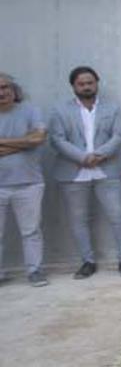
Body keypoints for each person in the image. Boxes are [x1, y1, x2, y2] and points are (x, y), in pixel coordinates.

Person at [48, 66, 121, 278]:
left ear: (96, 83)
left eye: (90, 83)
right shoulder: (60, 110)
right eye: (81, 84)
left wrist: (99, 155)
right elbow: (57, 139)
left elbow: (119, 135)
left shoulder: (112, 108)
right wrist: (82, 157)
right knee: (79, 220)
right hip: (74, 173)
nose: (86, 87)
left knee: (118, 216)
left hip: (107, 170)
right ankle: (88, 262)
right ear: (73, 86)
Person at [0, 73, 49, 287]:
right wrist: (24, 142)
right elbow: (30, 140)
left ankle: (34, 270)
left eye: (5, 87)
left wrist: (4, 143)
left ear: (14, 90)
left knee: (31, 231)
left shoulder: (30, 110)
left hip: (29, 183)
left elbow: (38, 138)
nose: (1, 92)